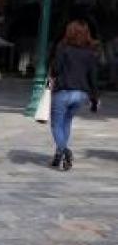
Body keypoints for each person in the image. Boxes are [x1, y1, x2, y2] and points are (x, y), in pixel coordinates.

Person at [49, 19, 100, 171]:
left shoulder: (62, 47)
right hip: (81, 95)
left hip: (63, 92)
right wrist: (95, 98)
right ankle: (58, 155)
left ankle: (64, 151)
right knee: (67, 121)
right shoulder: (90, 52)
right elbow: (93, 77)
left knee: (56, 124)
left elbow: (56, 70)